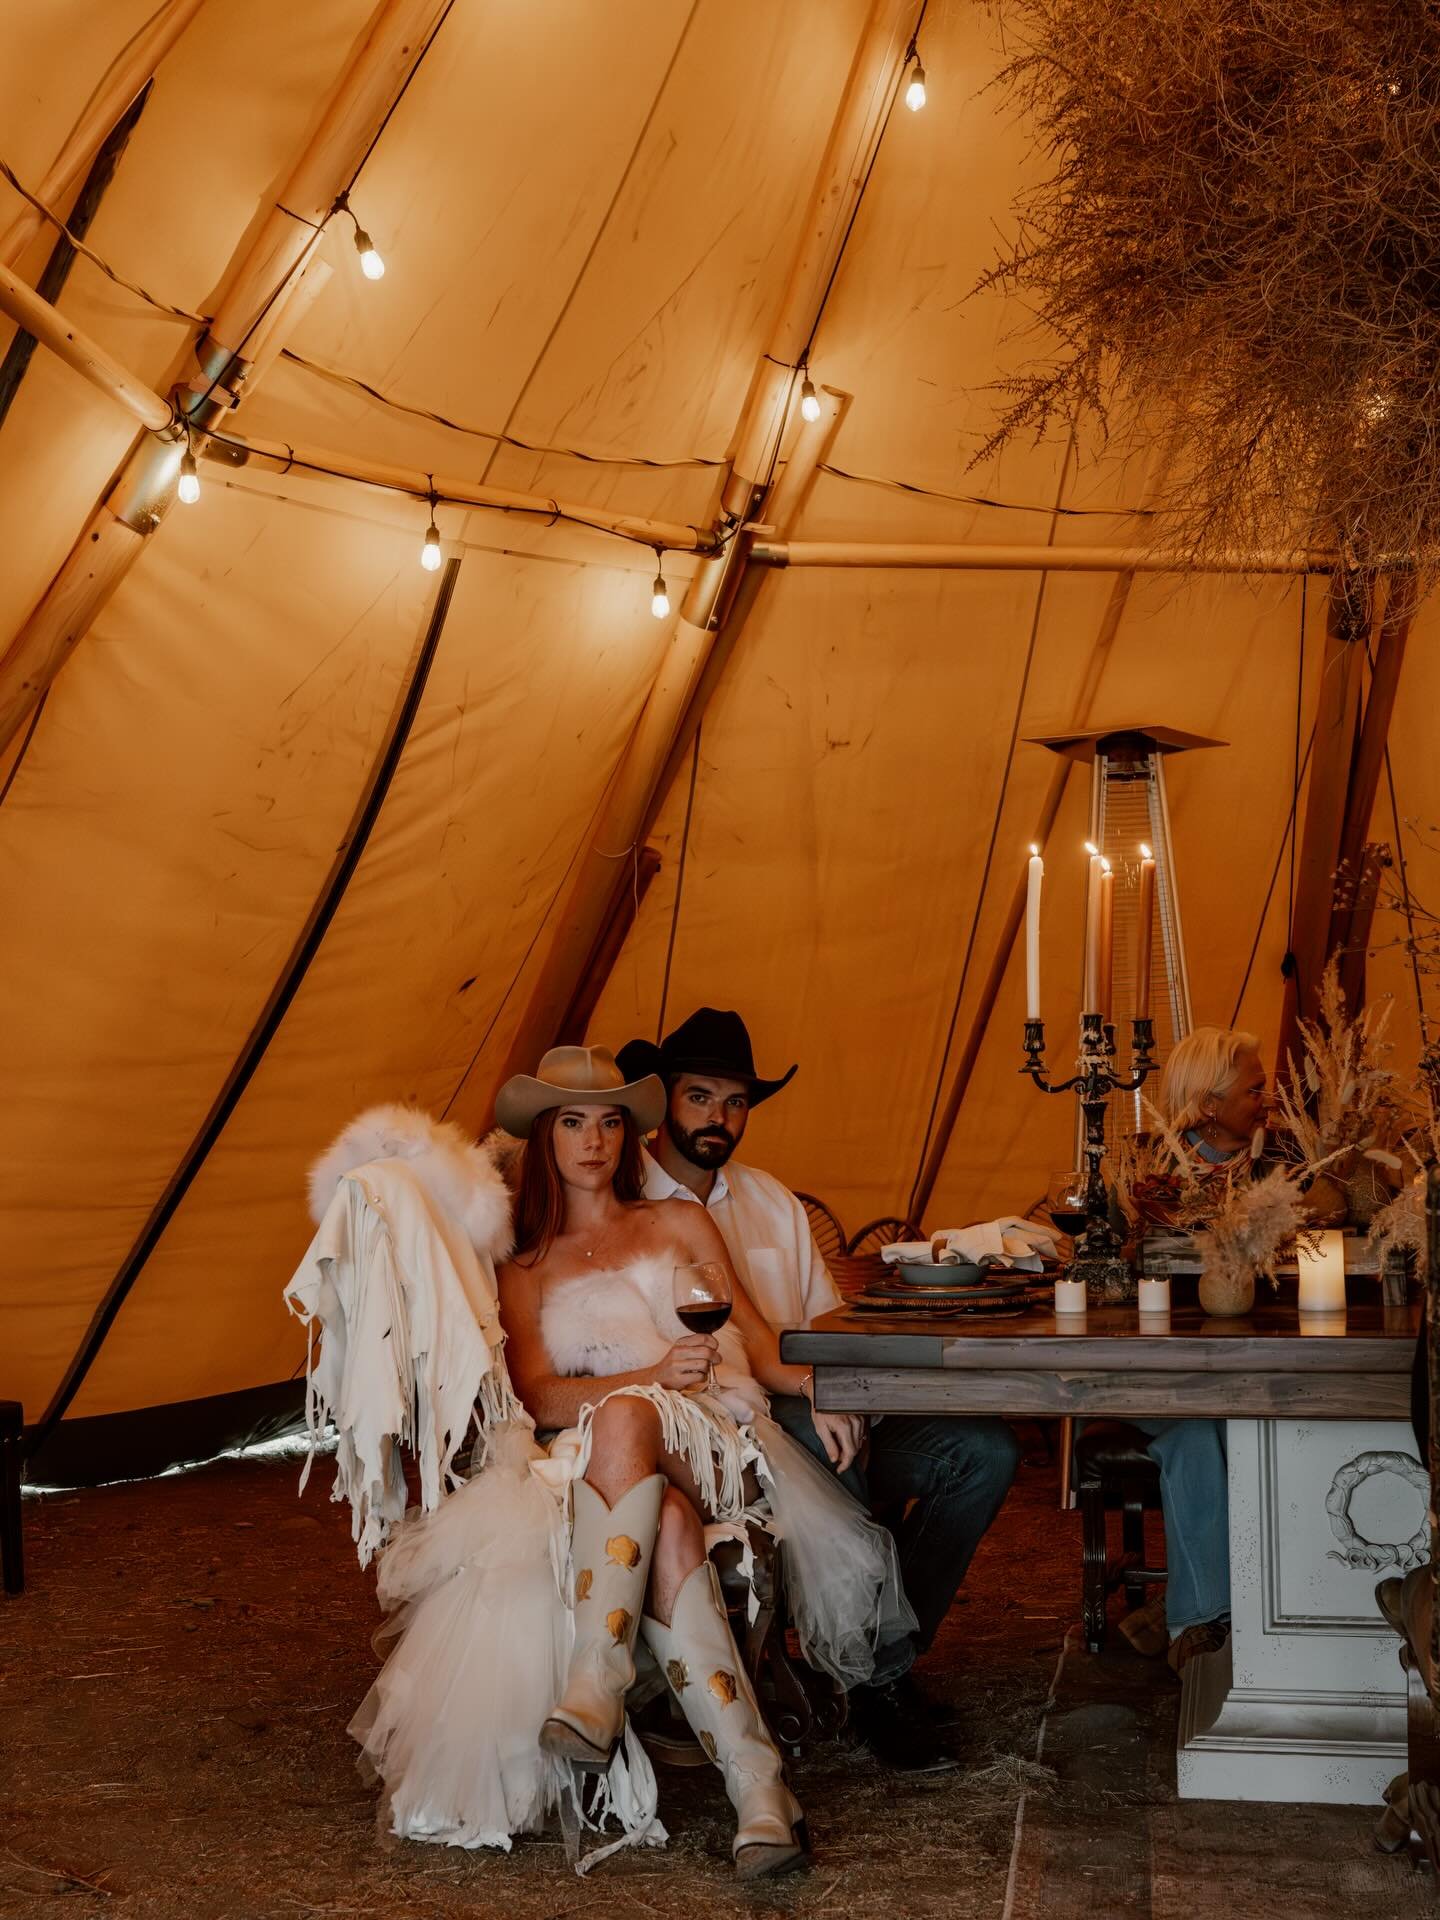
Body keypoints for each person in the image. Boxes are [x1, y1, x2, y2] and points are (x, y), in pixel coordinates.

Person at [335, 1047, 914, 1880]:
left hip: (717, 1435)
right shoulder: (526, 1265)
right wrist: (645, 1378)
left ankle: (595, 1681)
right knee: (668, 1519)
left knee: (631, 1416)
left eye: (610, 1122)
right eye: (573, 1122)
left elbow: (751, 1335)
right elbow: (536, 1397)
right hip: (619, 1461)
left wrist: (818, 1386)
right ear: (543, 1138)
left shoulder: (676, 1223)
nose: (594, 1141)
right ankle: (760, 1794)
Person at [617, 1007, 1021, 1770]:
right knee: (827, 1451)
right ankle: (879, 1688)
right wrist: (813, 1399)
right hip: (715, 1428)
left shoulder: (771, 1201)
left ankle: (871, 1653)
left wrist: (845, 1387)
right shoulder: (625, 1196)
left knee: (982, 1450)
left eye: (735, 1102)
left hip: (806, 1398)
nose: (720, 1117)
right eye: (700, 1096)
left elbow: (820, 1320)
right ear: (663, 1097)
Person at [1120, 1024, 1269, 1671]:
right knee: (1196, 1429)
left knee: (1275, 1429)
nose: (1270, 1095)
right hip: (1163, 1372)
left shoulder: (1285, 1162)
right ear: (1210, 1104)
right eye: (1255, 1087)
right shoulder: (1152, 1174)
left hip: (1258, 1366)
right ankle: (1203, 1625)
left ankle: (1186, 1608)